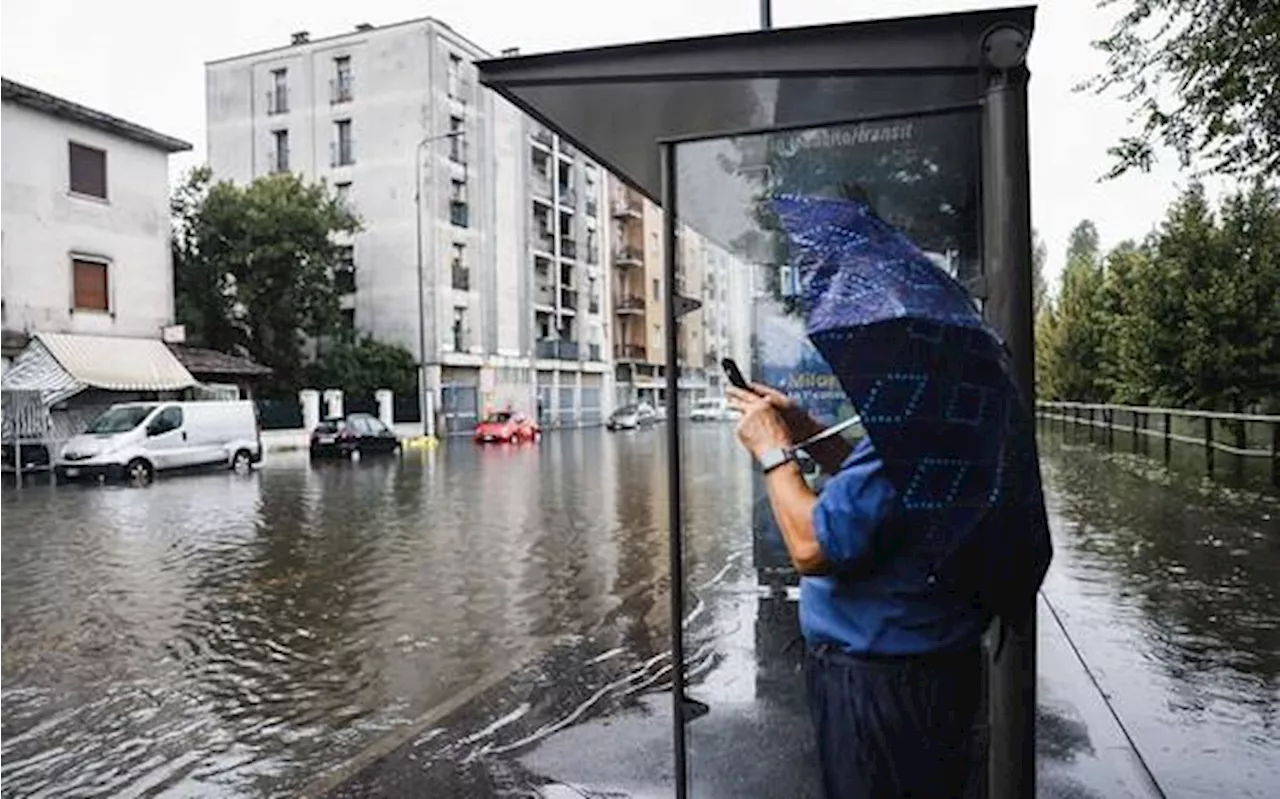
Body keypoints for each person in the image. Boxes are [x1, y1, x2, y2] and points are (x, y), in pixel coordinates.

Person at [727, 381, 988, 799]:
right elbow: (882, 487)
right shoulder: (954, 408)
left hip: (881, 683)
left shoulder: (915, 422)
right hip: (935, 663)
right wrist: (806, 429)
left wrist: (774, 449)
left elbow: (812, 547)